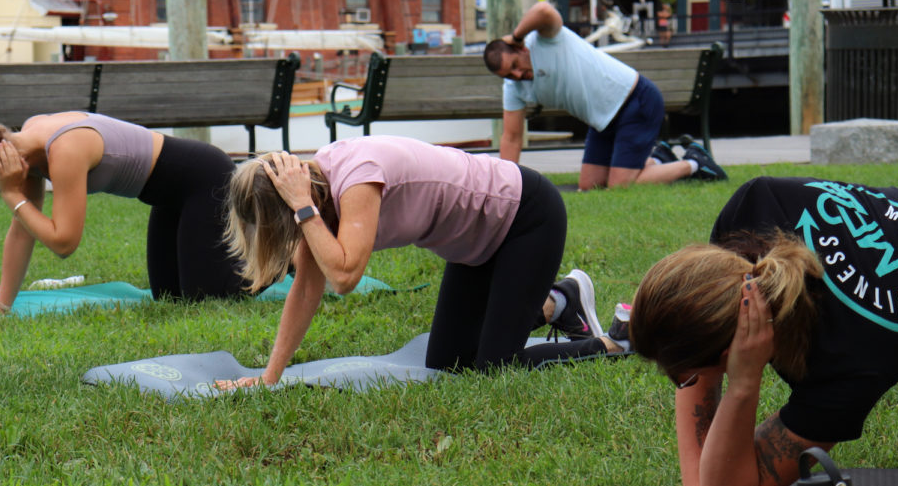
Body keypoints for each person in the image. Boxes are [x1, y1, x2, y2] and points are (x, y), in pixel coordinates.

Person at [623, 176, 898, 486]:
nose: (683, 381)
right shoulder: (750, 213)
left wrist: (744, 383)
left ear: (728, 353)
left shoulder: (849, 360)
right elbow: (699, 354)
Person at [216, 136, 630, 388]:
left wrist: (302, 207)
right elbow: (307, 287)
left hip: (524, 217)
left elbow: (343, 277)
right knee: (448, 363)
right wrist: (270, 377)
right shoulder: (315, 196)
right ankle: (559, 301)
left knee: (495, 368)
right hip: (474, 245)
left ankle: (614, 343)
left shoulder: (354, 179)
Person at [0, 111, 243, 311]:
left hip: (204, 179)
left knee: (205, 300)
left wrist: (10, 195)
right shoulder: (27, 146)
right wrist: (1, 305)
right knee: (169, 299)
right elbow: (23, 229)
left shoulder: (64, 151)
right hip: (168, 198)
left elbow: (64, 242)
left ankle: (281, 257)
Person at [483, 1, 726, 190]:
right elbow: (512, 137)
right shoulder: (513, 87)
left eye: (515, 64)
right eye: (509, 74)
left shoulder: (547, 38)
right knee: (590, 187)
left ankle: (694, 163)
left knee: (620, 186)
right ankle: (660, 159)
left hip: (635, 101)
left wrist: (515, 36)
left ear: (521, 48)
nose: (517, 74)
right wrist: (507, 185)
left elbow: (544, 10)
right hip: (602, 121)